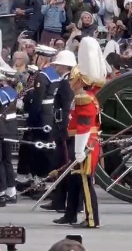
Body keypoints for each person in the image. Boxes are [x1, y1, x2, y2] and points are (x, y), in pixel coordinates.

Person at [53, 37, 106, 228]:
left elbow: (84, 125)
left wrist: (79, 150)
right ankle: (79, 215)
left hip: (86, 143)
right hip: (85, 141)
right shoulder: (86, 96)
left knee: (86, 183)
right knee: (81, 181)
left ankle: (92, 219)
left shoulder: (84, 97)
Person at [40, 50, 77, 212]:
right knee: (60, 164)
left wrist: (63, 129)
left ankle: (62, 202)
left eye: (57, 64)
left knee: (63, 165)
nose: (55, 66)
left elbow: (67, 108)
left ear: (63, 66)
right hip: (61, 125)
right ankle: (59, 200)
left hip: (64, 128)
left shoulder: (67, 82)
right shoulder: (65, 80)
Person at [26, 45, 61, 189]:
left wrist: (31, 119)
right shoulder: (56, 74)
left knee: (40, 148)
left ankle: (41, 180)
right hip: (53, 114)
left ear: (41, 58)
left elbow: (38, 100)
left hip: (43, 116)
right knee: (49, 148)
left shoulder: (43, 75)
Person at [0, 73, 18, 206]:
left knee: (0, 161)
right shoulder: (7, 92)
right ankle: (10, 191)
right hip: (6, 129)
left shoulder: (0, 94)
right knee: (6, 161)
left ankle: (0, 193)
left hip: (1, 129)